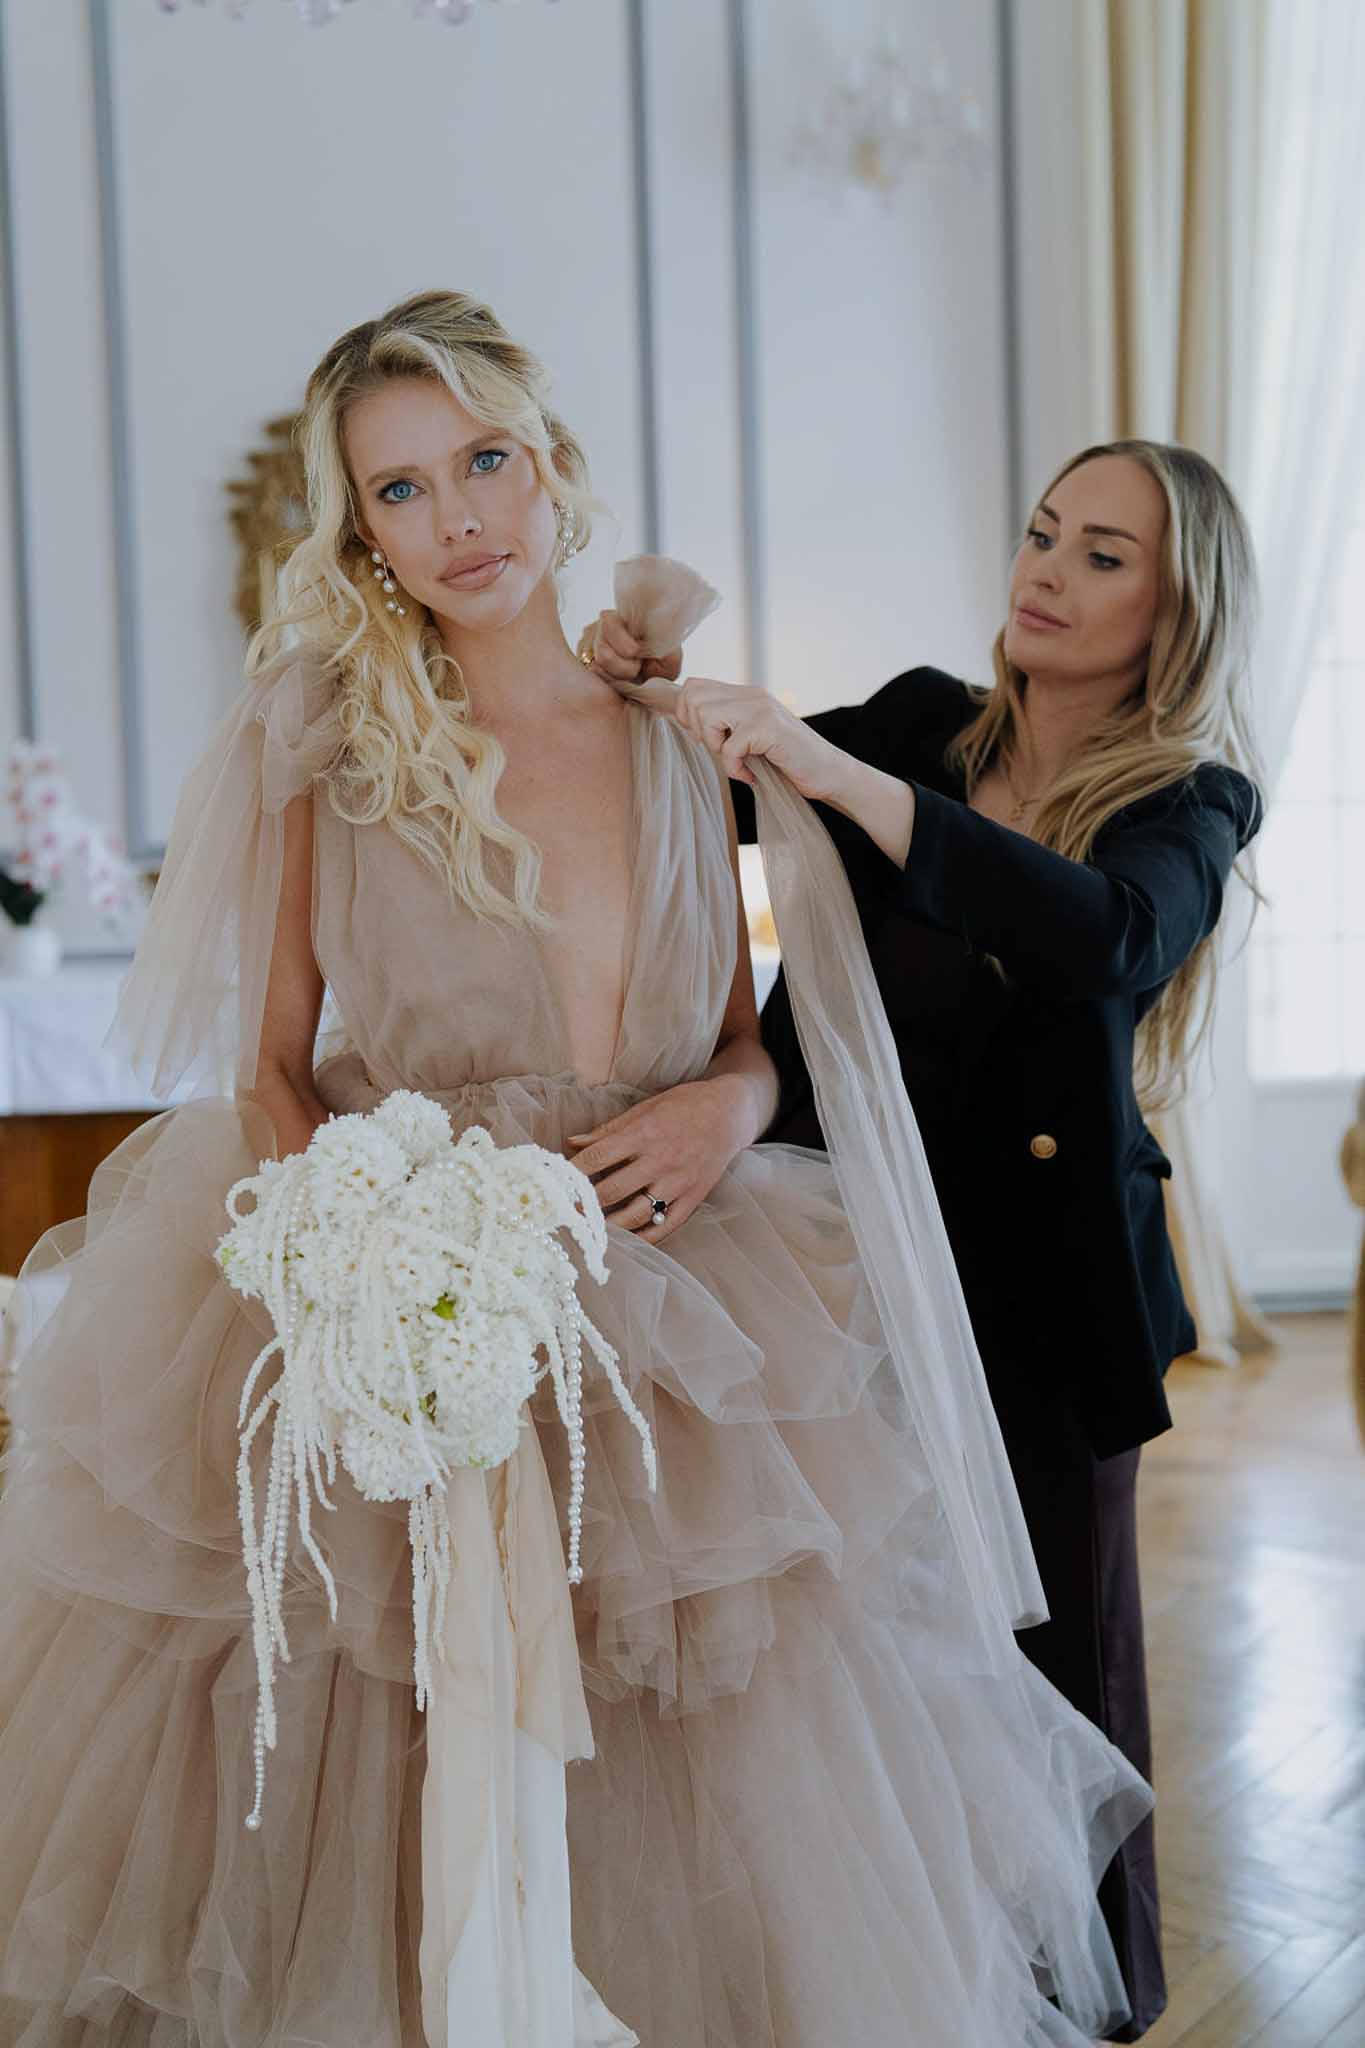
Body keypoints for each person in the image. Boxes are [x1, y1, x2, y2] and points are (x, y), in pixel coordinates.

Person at [0, 294, 1151, 2048]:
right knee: (387, 1752)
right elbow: (268, 1068)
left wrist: (730, 1105)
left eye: (483, 462)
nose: (457, 519)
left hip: (675, 1301)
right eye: (398, 491)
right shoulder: (323, 738)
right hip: (400, 1292)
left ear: (551, 473)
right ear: (360, 534)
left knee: (692, 1755)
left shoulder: (692, 743)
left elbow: (763, 1035)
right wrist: (358, 1275)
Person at [583, 438, 1265, 2040]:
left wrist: (842, 787)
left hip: (1041, 1313)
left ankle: (1079, 2010)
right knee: (862, 1671)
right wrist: (641, 692)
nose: (1046, 568)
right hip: (833, 1275)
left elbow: (1100, 936)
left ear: (1176, 605)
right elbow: (691, 812)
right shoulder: (914, 722)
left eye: (1102, 553)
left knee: (1051, 1689)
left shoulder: (1188, 800)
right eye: (1043, 532)